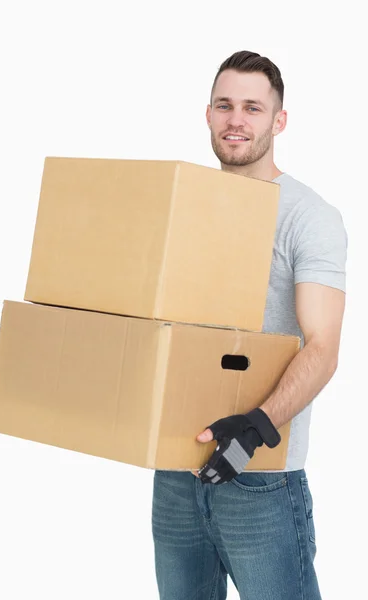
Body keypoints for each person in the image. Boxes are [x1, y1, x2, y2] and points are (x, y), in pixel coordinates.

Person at [152, 50, 347, 600]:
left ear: (278, 121)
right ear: (208, 115)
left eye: (253, 108)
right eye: (225, 105)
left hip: (259, 473)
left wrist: (254, 426)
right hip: (176, 468)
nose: (237, 119)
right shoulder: (185, 208)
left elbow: (324, 347)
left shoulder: (308, 216)